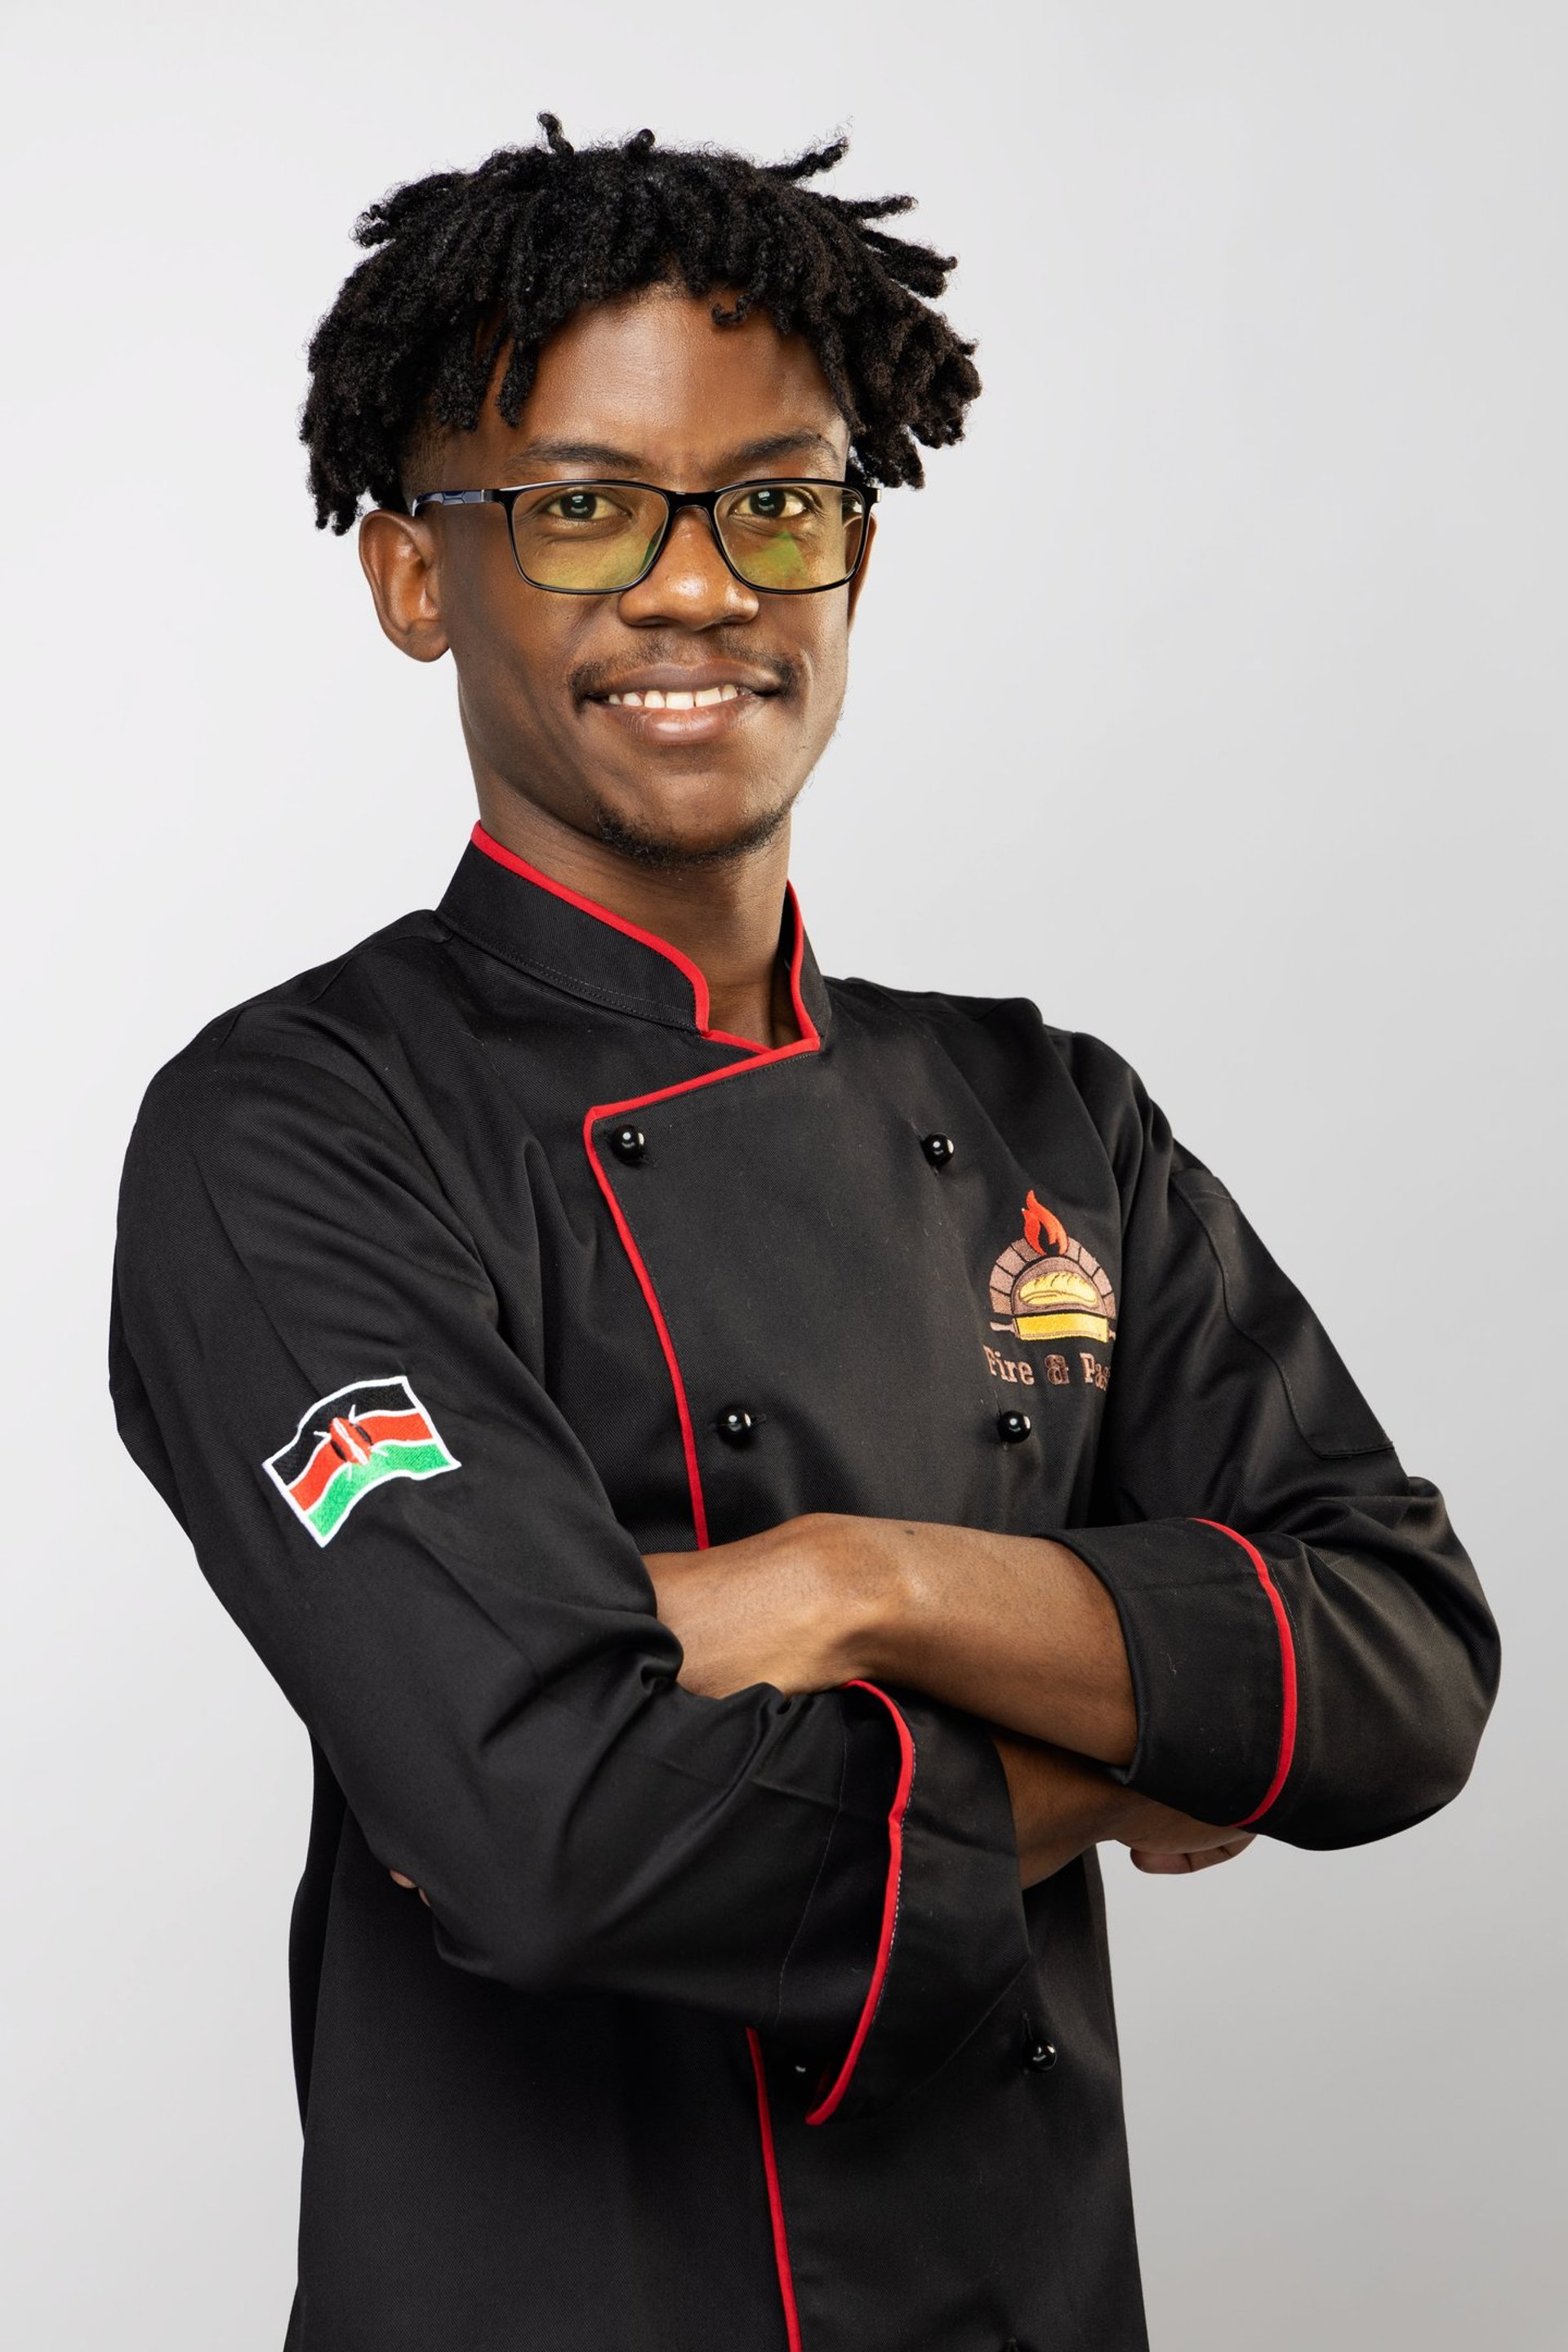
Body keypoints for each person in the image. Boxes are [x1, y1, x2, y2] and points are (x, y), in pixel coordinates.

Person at [110, 119, 1499, 2352]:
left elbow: (1408, 1659)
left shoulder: (1051, 1112)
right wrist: (1148, 1730)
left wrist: (860, 1581)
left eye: (779, 497)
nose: (698, 585)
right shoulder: (291, 1136)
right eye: (579, 507)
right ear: (409, 576)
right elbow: (556, 1832)